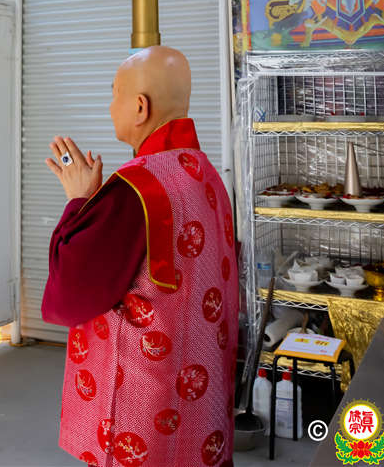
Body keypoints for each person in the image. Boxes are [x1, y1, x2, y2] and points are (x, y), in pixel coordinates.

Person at [42, 46, 238, 467]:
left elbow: (70, 293)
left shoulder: (137, 188)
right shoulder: (206, 174)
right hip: (200, 404)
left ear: (139, 107)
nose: (109, 106)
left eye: (114, 94)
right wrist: (96, 204)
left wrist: (78, 202)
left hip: (143, 409)